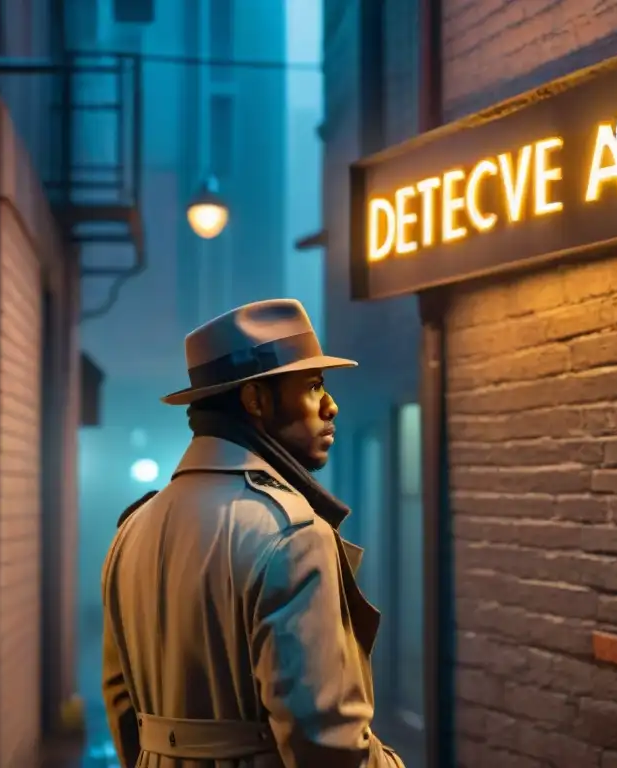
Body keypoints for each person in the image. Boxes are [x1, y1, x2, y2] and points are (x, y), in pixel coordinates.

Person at [101, 299, 404, 767]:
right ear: (255, 400)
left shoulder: (132, 530)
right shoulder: (293, 534)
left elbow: (124, 708)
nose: (331, 405)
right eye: (312, 385)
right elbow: (328, 745)